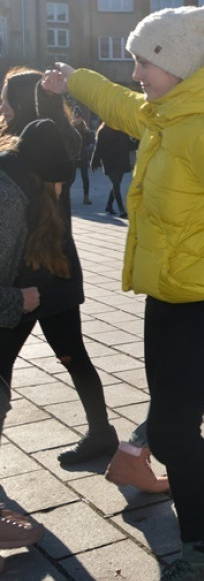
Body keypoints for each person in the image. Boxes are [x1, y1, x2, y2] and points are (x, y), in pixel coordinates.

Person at [43, 2, 204, 581]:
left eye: (142, 63)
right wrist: (74, 80)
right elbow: (121, 103)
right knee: (173, 431)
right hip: (170, 297)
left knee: (175, 436)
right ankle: (199, 559)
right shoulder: (166, 114)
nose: (136, 74)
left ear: (176, 66)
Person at [0, 70, 118, 466]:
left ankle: (101, 433)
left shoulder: (49, 150)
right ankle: (102, 432)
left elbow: (62, 136)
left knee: (71, 354)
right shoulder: (10, 151)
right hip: (20, 279)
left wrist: (49, 98)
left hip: (48, 274)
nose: (1, 106)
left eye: (6, 98)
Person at [0, 119, 83, 555]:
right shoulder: (8, 196)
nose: (58, 192)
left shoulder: (22, 178)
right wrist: (18, 299)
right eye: (55, 182)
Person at [90, 121, 133, 217]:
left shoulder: (122, 129)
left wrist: (138, 142)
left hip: (121, 162)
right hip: (109, 162)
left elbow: (129, 145)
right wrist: (94, 162)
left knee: (116, 185)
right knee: (116, 184)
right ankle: (121, 209)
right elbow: (98, 148)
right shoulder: (103, 131)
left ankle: (109, 205)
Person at [70, 108, 94, 204]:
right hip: (74, 155)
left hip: (83, 155)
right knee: (71, 178)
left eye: (79, 117)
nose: (77, 119)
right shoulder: (71, 129)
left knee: (85, 177)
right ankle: (65, 194)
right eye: (76, 117)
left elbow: (88, 143)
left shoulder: (85, 129)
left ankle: (86, 198)